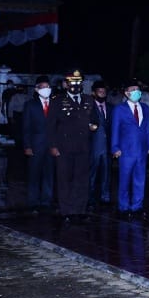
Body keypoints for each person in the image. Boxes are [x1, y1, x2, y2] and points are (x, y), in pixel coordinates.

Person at [46, 70, 93, 224]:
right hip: (64, 147)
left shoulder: (88, 100)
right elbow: (51, 125)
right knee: (65, 179)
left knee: (82, 179)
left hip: (83, 146)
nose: (76, 85)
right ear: (66, 84)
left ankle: (79, 210)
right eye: (72, 82)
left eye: (79, 82)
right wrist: (53, 145)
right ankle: (66, 211)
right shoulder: (57, 101)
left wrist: (94, 125)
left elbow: (95, 119)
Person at [111, 79, 149, 220]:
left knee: (140, 179)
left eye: (138, 89)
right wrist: (115, 147)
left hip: (141, 150)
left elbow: (147, 128)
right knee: (125, 179)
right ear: (127, 93)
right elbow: (115, 129)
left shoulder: (145, 108)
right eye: (133, 90)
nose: (136, 92)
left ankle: (137, 207)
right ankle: (123, 207)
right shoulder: (119, 109)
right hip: (126, 150)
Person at [22, 75, 55, 214]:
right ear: (36, 89)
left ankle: (46, 201)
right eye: (42, 87)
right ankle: (33, 202)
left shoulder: (55, 104)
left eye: (47, 87)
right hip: (36, 145)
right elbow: (26, 127)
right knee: (34, 174)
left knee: (49, 174)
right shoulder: (30, 105)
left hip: (51, 146)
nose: (45, 89)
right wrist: (27, 146)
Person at [87, 80, 113, 211]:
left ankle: (105, 196)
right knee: (92, 173)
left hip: (107, 147)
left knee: (107, 173)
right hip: (94, 146)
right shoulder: (88, 107)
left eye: (104, 92)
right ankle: (90, 197)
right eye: (99, 92)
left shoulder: (111, 107)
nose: (102, 94)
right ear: (93, 93)